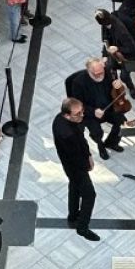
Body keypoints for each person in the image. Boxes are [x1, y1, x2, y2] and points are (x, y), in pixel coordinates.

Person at [52, 98, 99, 242]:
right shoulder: (67, 133)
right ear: (67, 115)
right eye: (77, 114)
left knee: (74, 186)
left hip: (70, 163)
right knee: (90, 195)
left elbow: (81, 139)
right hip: (75, 165)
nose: (81, 116)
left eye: (82, 112)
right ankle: (82, 228)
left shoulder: (60, 119)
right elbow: (77, 154)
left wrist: (89, 154)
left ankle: (73, 215)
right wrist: (87, 163)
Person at [70, 58, 126, 160]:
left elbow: (118, 93)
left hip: (108, 108)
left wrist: (119, 86)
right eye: (96, 74)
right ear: (88, 71)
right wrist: (93, 111)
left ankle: (111, 143)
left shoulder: (109, 73)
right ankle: (101, 146)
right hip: (90, 113)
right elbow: (78, 105)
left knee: (121, 121)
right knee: (97, 132)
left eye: (102, 72)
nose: (100, 76)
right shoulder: (78, 83)